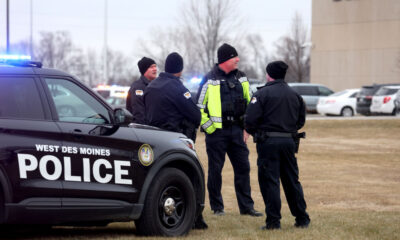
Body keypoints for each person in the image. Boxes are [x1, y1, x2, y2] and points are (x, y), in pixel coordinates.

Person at [196, 43, 262, 217]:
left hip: (237, 132)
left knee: (243, 168)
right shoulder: (209, 79)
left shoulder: (242, 77)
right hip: (217, 134)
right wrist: (210, 128)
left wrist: (247, 128)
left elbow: (251, 103)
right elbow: (198, 107)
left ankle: (247, 207)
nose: (238, 60)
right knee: (215, 170)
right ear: (225, 59)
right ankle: (217, 208)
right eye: (235, 57)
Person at [144, 52, 208, 229]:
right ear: (180, 69)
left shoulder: (151, 86)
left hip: (154, 139)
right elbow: (195, 115)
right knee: (189, 178)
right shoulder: (177, 88)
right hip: (175, 139)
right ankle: (195, 217)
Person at [244, 61, 310, 230]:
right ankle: (302, 218)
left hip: (268, 143)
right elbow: (300, 120)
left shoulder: (262, 94)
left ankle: (273, 222)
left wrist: (258, 132)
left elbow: (250, 120)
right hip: (289, 142)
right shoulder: (294, 95)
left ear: (268, 75)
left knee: (270, 181)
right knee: (292, 181)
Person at [126, 57, 157, 123]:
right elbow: (139, 114)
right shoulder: (138, 87)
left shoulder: (155, 85)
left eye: (155, 66)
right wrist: (144, 130)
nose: (155, 69)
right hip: (144, 129)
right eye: (151, 67)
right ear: (144, 70)